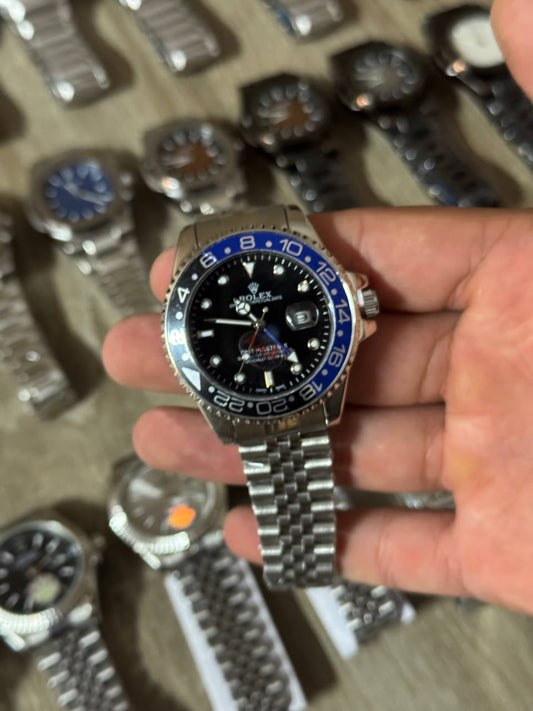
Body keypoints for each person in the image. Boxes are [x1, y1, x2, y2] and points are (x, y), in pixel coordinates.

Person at [103, 0, 533, 614]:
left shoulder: (314, 290)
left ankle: (308, 558)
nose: (258, 322)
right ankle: (305, 558)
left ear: (354, 303)